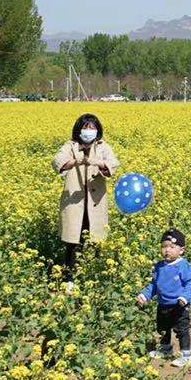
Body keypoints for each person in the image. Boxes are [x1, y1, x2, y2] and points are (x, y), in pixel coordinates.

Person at [52, 112, 119, 288]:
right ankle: (69, 280)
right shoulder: (70, 146)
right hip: (74, 203)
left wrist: (97, 162)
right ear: (79, 129)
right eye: (85, 127)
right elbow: (57, 162)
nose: (89, 131)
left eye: (92, 128)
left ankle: (92, 276)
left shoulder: (103, 146)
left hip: (95, 201)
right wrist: (77, 161)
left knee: (95, 239)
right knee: (72, 241)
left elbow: (112, 164)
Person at [136, 228, 191, 367]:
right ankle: (165, 349)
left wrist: (185, 298)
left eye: (171, 247)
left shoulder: (184, 266)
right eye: (164, 247)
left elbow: (190, 283)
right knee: (162, 327)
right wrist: (144, 295)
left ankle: (186, 355)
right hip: (163, 304)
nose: (167, 250)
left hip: (179, 305)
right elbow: (154, 285)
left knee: (182, 330)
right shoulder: (159, 266)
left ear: (181, 250)